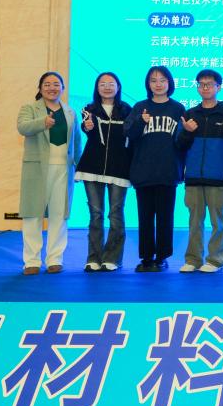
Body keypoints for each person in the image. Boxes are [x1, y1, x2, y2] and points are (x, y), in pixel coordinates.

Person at [16, 71, 82, 274]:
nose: (52, 88)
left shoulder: (70, 112)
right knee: (32, 214)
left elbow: (77, 142)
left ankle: (55, 259)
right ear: (40, 88)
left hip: (64, 169)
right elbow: (22, 127)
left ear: (62, 88)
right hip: (37, 168)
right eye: (47, 84)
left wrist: (79, 167)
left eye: (56, 84)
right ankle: (32, 261)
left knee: (59, 214)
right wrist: (42, 123)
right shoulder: (30, 108)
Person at [176, 69, 223, 273]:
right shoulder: (190, 114)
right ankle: (193, 259)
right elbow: (179, 146)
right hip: (193, 176)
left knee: (217, 222)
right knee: (194, 221)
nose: (205, 88)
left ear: (218, 87)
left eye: (210, 84)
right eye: (201, 84)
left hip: (218, 177)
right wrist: (187, 132)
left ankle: (215, 260)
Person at [124, 65, 185, 272]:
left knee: (165, 217)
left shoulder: (177, 108)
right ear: (148, 84)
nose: (158, 84)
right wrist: (141, 122)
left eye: (162, 80)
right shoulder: (140, 107)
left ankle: (162, 257)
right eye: (153, 80)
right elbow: (129, 134)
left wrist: (182, 169)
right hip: (143, 170)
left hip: (168, 170)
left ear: (169, 83)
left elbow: (183, 142)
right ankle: (146, 257)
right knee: (145, 217)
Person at [74, 72, 131, 272]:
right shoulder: (88, 109)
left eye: (111, 83)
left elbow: (132, 136)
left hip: (119, 168)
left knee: (116, 213)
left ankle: (113, 258)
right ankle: (93, 258)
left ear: (118, 87)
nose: (107, 87)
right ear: (97, 88)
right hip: (92, 167)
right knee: (95, 214)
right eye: (102, 84)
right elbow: (86, 127)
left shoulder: (127, 110)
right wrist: (87, 126)